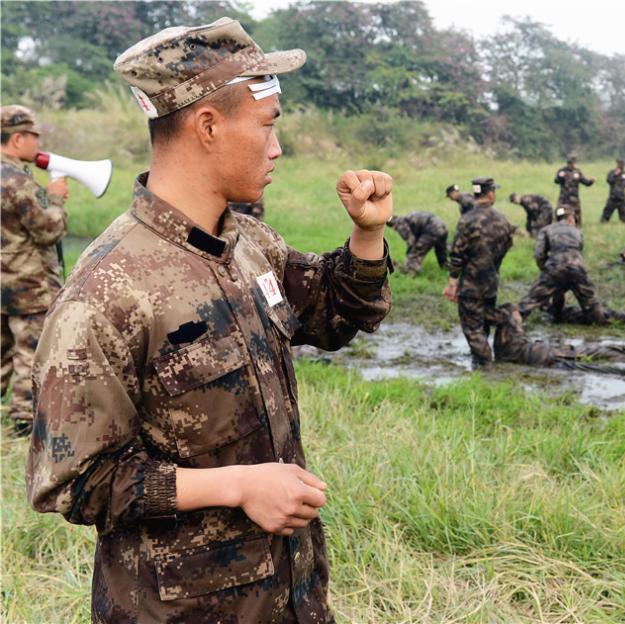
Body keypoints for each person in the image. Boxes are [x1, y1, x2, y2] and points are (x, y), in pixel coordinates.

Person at [26, 18, 392, 623]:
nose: (277, 149)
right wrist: (239, 486)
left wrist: (367, 232)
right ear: (207, 125)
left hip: (288, 594)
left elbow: (331, 311)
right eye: (268, 127)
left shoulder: (246, 243)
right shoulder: (108, 291)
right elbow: (73, 479)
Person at [1, 105, 70, 437]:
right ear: (17, 139)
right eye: (33, 136)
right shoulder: (17, 182)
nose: (37, 143)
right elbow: (48, 231)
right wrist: (55, 200)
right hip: (26, 282)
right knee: (30, 351)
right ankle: (23, 424)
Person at [444, 176, 514, 365]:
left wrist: (452, 280)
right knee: (483, 322)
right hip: (491, 281)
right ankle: (486, 353)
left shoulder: (467, 220)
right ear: (490, 194)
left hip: (470, 284)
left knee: (472, 326)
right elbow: (508, 244)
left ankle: (484, 364)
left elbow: (457, 252)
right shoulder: (502, 220)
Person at [492, 303, 625, 376]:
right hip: (547, 356)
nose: (520, 318)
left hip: (543, 353)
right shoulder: (509, 330)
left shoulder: (503, 342)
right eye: (517, 316)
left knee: (585, 361)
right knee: (586, 362)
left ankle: (623, 360)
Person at [518, 206, 605, 323]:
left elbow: (539, 254)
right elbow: (579, 250)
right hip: (577, 268)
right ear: (570, 218)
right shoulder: (578, 231)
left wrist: (545, 269)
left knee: (531, 301)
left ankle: (513, 322)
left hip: (555, 267)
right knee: (590, 302)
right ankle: (599, 322)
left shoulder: (546, 229)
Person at [554, 154, 594, 227]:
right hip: (564, 197)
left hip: (574, 198)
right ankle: (557, 226)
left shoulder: (577, 172)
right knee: (560, 212)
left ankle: (577, 228)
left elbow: (585, 182)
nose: (571, 165)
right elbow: (556, 181)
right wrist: (560, 177)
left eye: (572, 163)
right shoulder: (562, 171)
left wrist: (591, 181)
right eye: (569, 163)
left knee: (576, 214)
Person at [601, 158, 625, 223]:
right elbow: (609, 180)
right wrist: (615, 175)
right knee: (606, 215)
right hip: (613, 197)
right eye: (620, 164)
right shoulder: (612, 172)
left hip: (621, 198)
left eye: (623, 164)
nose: (621, 166)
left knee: (624, 218)